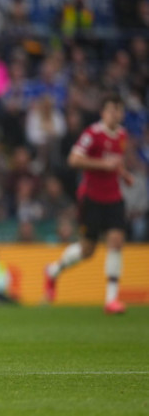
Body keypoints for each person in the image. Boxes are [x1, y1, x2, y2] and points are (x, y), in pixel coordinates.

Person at [44, 93, 133, 314]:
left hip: (114, 197)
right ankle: (54, 270)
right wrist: (104, 165)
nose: (116, 114)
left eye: (119, 110)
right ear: (103, 112)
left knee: (116, 241)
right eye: (112, 110)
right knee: (87, 250)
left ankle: (111, 300)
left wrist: (123, 174)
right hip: (92, 197)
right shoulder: (92, 134)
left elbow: (115, 161)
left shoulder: (122, 134)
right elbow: (74, 159)